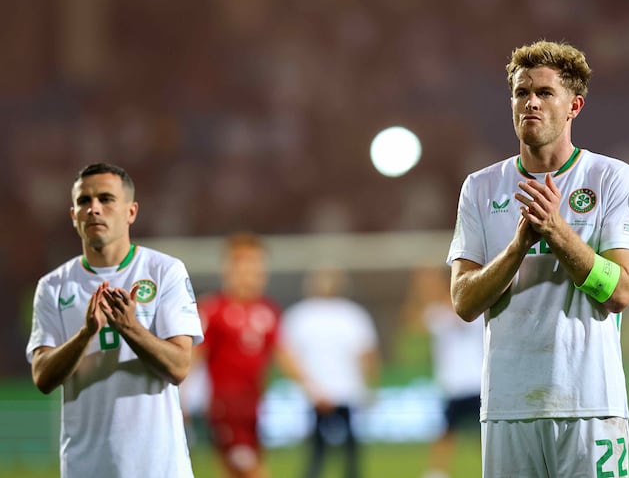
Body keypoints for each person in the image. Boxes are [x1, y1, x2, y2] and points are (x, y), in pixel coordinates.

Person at [447, 40, 629, 477]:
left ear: (574, 105)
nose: (531, 103)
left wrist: (557, 231)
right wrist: (518, 246)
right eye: (522, 93)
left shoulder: (611, 177)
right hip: (507, 407)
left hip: (590, 403)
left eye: (544, 93)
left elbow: (621, 291)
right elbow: (463, 302)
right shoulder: (481, 188)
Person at [25, 163, 203, 477]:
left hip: (158, 468)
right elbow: (42, 377)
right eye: (84, 201)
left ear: (130, 212)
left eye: (106, 199)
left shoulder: (164, 271)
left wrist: (129, 327)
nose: (94, 208)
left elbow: (179, 367)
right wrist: (85, 334)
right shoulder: (53, 285)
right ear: (73, 216)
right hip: (87, 467)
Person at [194, 232, 282, 478]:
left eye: (257, 267)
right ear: (229, 270)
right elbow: (191, 357)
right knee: (252, 472)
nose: (253, 275)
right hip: (226, 409)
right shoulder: (213, 310)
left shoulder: (268, 311)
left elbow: (283, 354)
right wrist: (177, 396)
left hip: (254, 409)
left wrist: (313, 387)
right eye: (246, 267)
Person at [281, 267, 380, 478]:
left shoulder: (300, 315)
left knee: (318, 453)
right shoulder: (352, 314)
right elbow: (367, 356)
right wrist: (369, 386)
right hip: (341, 392)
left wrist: (308, 387)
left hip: (319, 394)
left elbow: (287, 356)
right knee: (347, 453)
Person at [403, 266, 483, 478]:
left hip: (474, 381)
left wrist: (434, 289)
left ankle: (499, 467)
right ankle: (437, 473)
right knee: (447, 433)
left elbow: (457, 317)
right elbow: (412, 323)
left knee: (481, 434)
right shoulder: (436, 312)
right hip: (452, 384)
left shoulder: (467, 307)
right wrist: (418, 291)